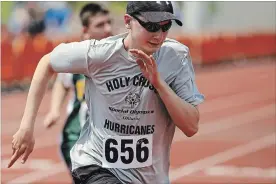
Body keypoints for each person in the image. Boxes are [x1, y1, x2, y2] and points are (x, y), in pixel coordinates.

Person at [8, 2, 205, 184]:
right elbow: (47, 63)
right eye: (151, 26)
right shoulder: (99, 53)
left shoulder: (176, 57)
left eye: (166, 26)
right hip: (96, 166)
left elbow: (191, 127)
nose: (159, 35)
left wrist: (159, 84)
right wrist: (27, 126)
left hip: (150, 177)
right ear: (128, 21)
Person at [42, 2, 112, 174]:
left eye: (109, 23)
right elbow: (61, 81)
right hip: (77, 137)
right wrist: (54, 110)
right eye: (100, 25)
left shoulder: (119, 56)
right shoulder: (76, 57)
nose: (108, 29)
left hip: (109, 138)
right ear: (85, 31)